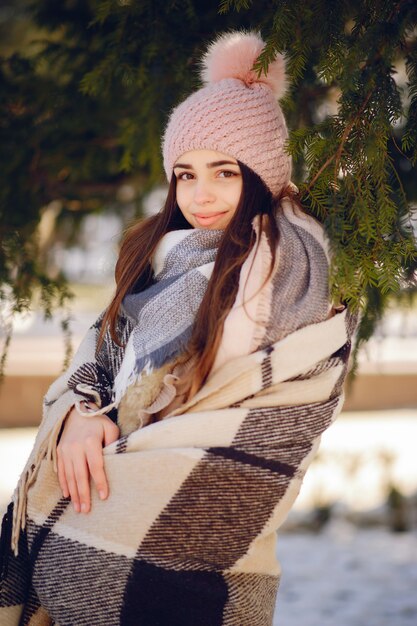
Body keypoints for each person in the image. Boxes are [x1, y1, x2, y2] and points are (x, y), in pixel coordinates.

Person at [0, 31, 357, 625]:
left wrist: (118, 434)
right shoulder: (155, 257)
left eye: (224, 172)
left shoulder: (283, 268)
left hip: (183, 560)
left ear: (262, 175)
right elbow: (100, 357)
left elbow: (231, 412)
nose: (201, 194)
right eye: (185, 175)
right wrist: (81, 416)